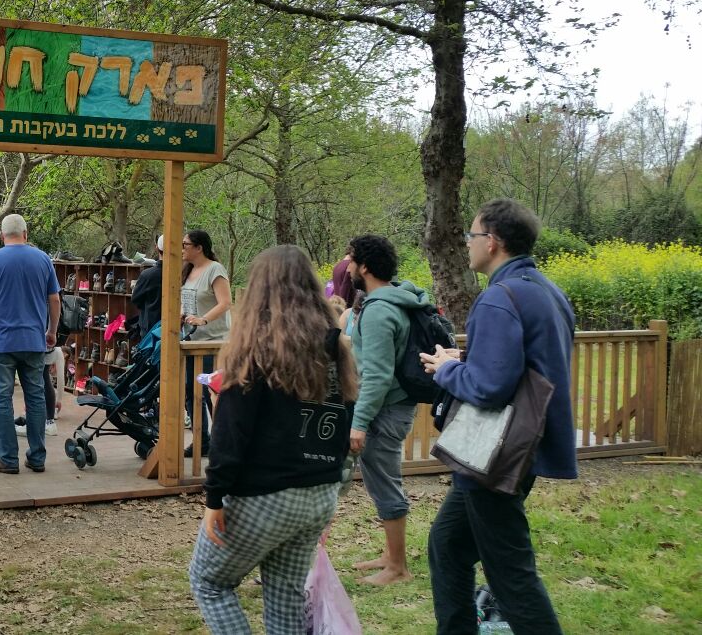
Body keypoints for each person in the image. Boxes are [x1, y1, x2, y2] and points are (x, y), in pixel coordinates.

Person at [421, 199, 576, 634]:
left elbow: (488, 388)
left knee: (511, 574)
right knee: (448, 545)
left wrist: (447, 368)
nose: (467, 243)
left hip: (494, 454)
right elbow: (524, 367)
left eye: (471, 235)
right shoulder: (547, 291)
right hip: (522, 448)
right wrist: (467, 360)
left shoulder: (498, 298)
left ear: (492, 242)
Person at [189, 245, 358, 635]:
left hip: (265, 496)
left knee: (209, 582)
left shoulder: (255, 349)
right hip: (319, 494)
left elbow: (230, 432)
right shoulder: (335, 348)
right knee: (285, 599)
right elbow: (342, 421)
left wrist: (215, 497)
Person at [343, 234, 434, 586]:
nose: (347, 267)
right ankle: (390, 555)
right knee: (380, 480)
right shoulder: (396, 299)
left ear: (365, 267)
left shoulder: (379, 310)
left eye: (351, 260)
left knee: (385, 482)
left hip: (386, 410)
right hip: (394, 406)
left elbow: (377, 376)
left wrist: (359, 422)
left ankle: (398, 567)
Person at [0, 214, 61, 474]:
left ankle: (8, 459)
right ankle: (37, 457)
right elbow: (54, 300)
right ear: (26, 233)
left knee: (2, 398)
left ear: (1, 236)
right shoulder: (43, 259)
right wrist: (51, 331)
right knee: (35, 397)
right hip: (34, 341)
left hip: (2, 343)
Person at [181, 229, 232, 458]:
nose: (182, 248)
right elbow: (186, 301)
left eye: (186, 244)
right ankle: (201, 440)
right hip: (191, 342)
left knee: (212, 389)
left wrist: (203, 319)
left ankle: (223, 440)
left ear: (199, 247)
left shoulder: (215, 269)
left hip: (213, 344)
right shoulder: (188, 270)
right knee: (192, 390)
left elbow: (225, 302)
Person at [131, 235, 164, 332]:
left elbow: (136, 299)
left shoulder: (147, 275)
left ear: (157, 248)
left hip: (150, 326)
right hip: (178, 327)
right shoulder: (183, 273)